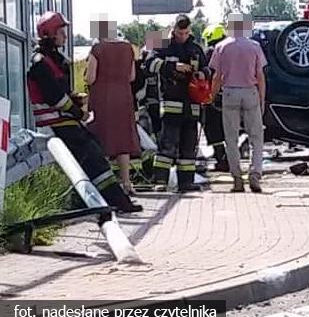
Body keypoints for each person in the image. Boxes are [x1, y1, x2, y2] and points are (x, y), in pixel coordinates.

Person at [27, 11, 142, 213]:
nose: (65, 36)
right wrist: (78, 112)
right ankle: (117, 201)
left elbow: (63, 92)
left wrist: (76, 98)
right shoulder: (41, 62)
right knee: (92, 153)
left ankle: (90, 200)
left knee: (94, 148)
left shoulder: (52, 60)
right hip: (54, 123)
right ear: (49, 33)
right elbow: (56, 98)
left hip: (62, 120)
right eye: (61, 31)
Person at [146, 14, 210, 193]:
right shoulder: (162, 46)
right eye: (180, 33)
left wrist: (203, 74)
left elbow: (207, 68)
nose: (183, 36)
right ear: (173, 30)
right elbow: (149, 64)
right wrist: (173, 67)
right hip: (171, 103)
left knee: (188, 147)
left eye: (186, 33)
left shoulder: (196, 49)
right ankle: (160, 181)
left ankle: (186, 182)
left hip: (192, 105)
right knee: (167, 145)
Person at [209, 13, 267, 193]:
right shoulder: (254, 46)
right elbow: (260, 76)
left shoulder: (221, 47)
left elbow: (217, 76)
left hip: (230, 93)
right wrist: (262, 99)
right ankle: (255, 173)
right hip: (250, 92)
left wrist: (212, 96)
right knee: (256, 137)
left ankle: (236, 178)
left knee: (231, 138)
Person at [86, 19, 142, 196]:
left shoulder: (97, 49)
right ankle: (126, 182)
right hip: (124, 97)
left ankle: (105, 184)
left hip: (103, 98)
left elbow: (90, 78)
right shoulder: (128, 48)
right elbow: (132, 76)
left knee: (102, 138)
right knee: (122, 140)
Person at [200, 24, 229, 172]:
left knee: (213, 129)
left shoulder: (211, 52)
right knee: (230, 128)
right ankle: (230, 158)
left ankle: (221, 159)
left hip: (215, 97)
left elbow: (209, 74)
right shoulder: (230, 49)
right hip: (232, 94)